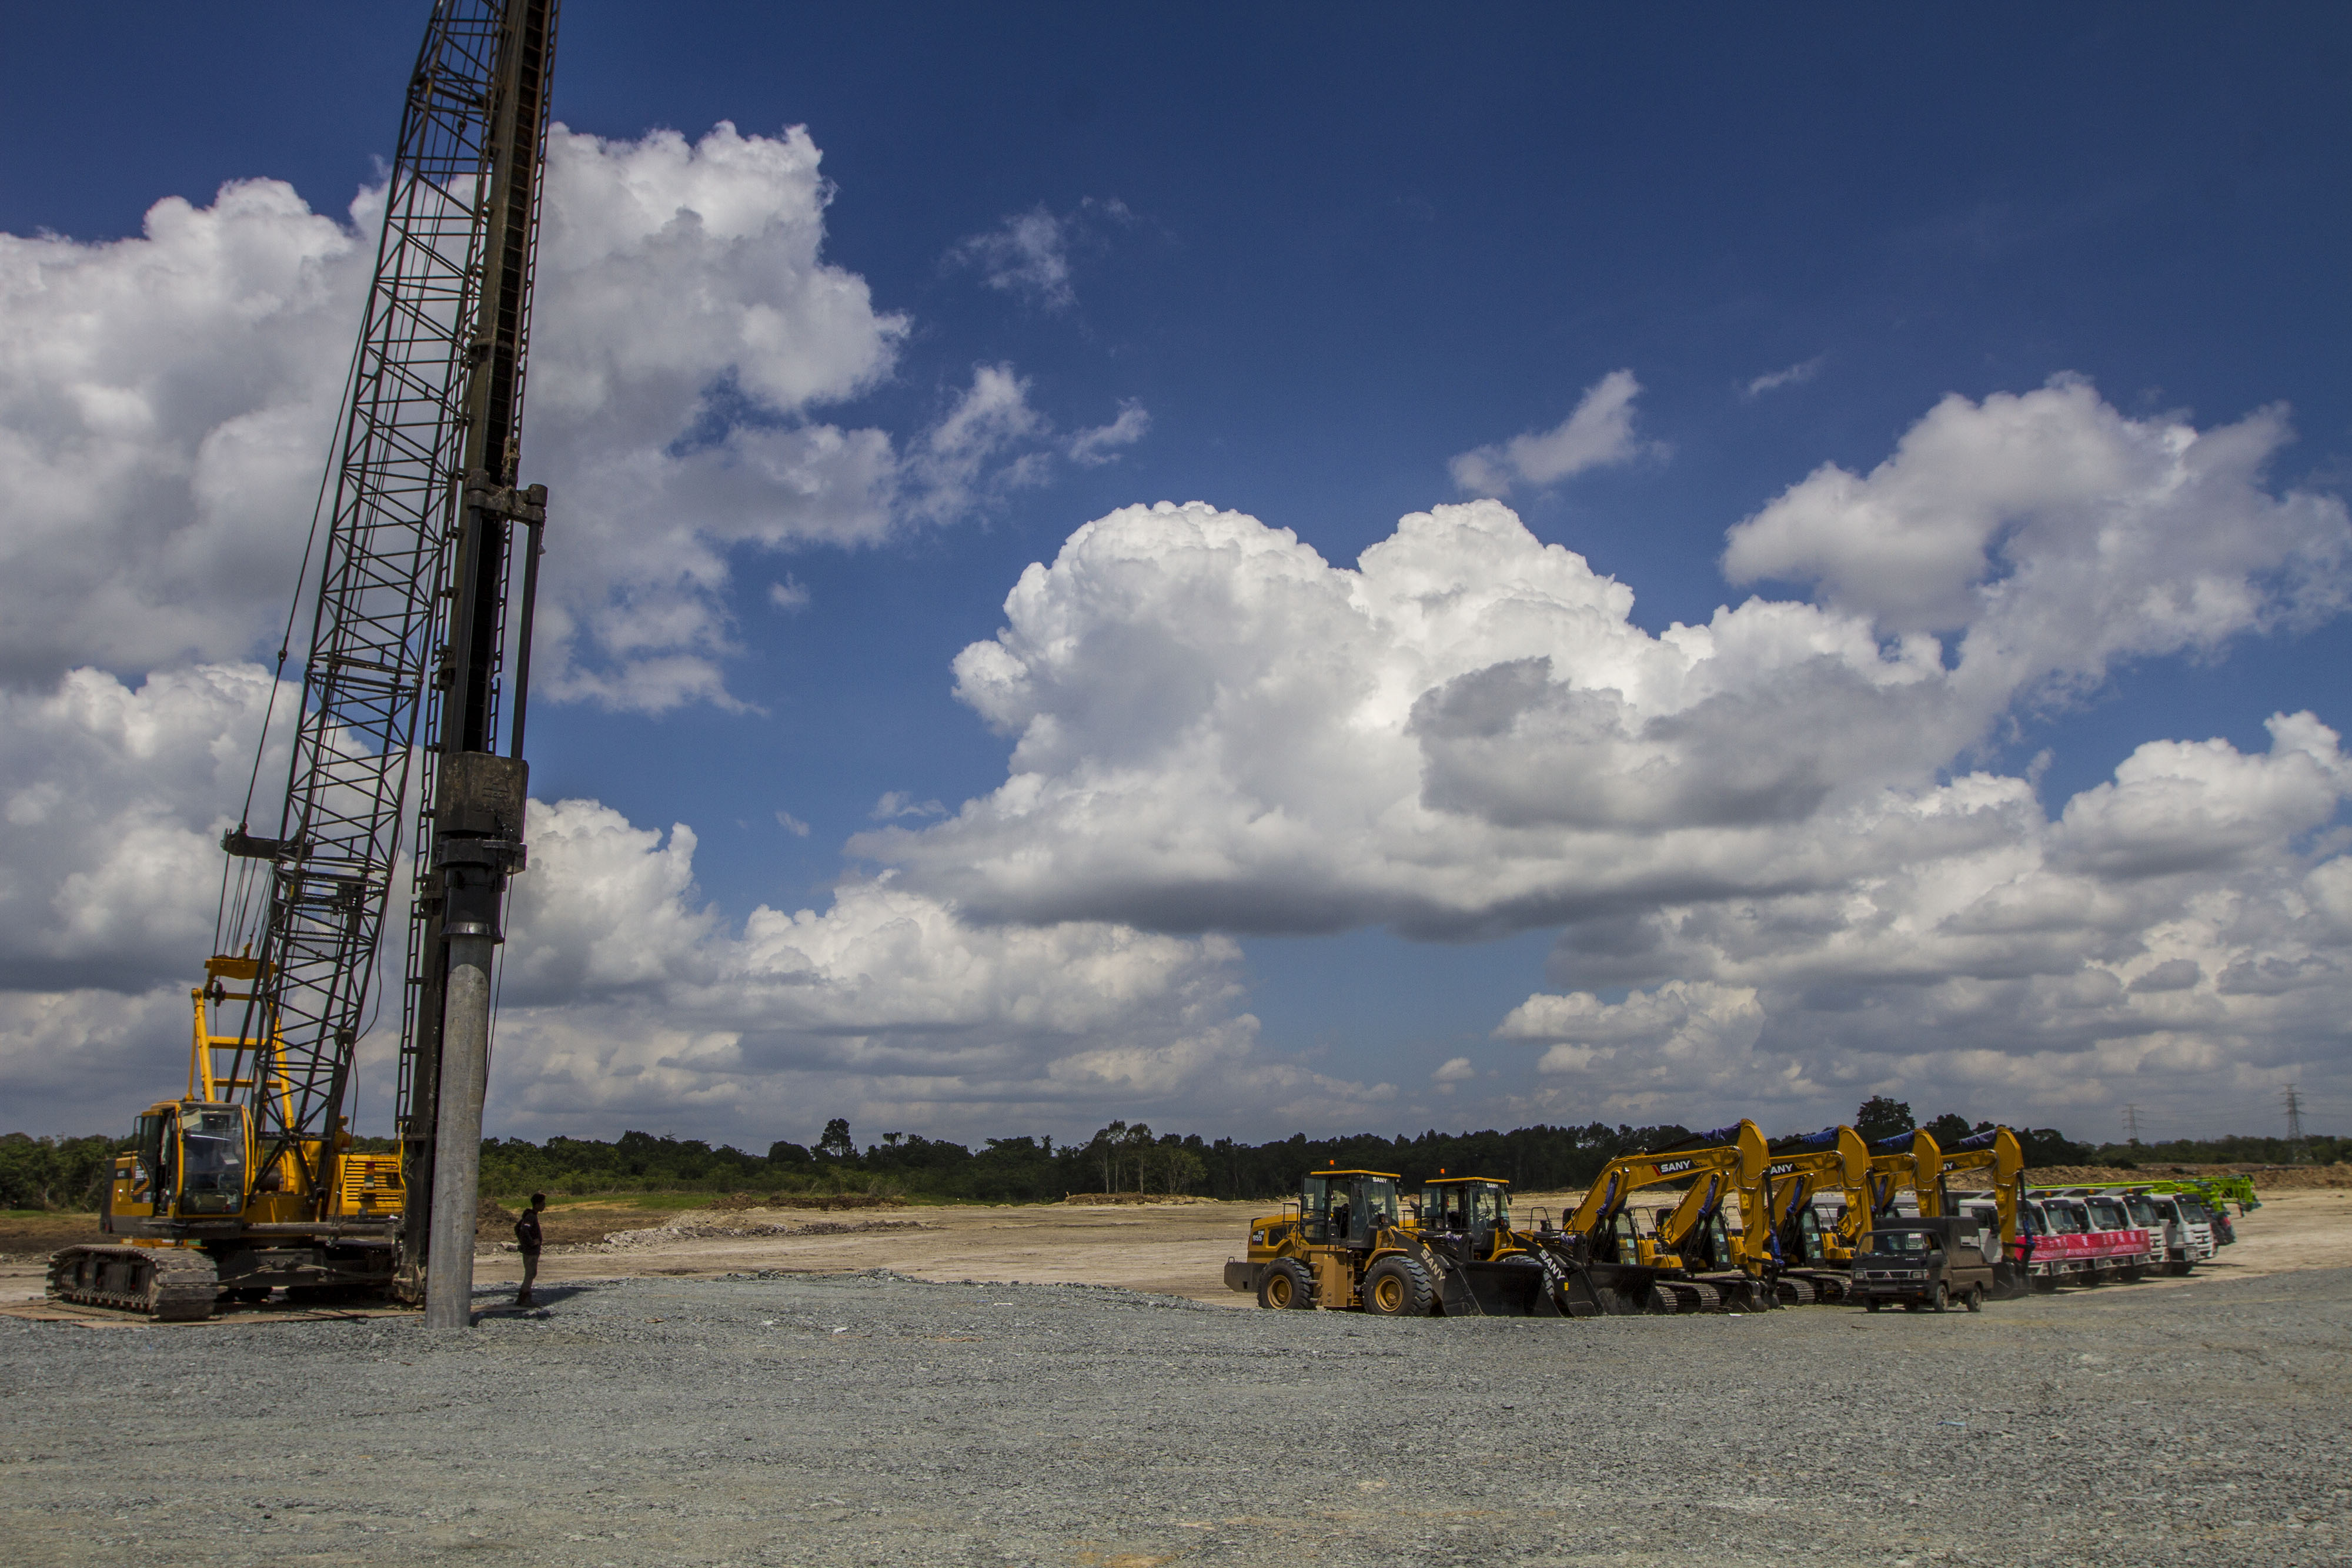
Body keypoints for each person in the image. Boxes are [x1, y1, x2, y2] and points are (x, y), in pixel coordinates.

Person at [514, 1192, 547, 1308]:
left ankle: (521, 1299)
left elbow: (517, 1228)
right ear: (537, 1205)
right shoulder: (531, 1216)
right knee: (530, 1274)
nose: (544, 1206)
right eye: (543, 1204)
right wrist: (531, 1243)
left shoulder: (530, 1215)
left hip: (530, 1251)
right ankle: (525, 1299)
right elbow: (523, 1230)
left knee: (530, 1274)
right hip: (531, 1252)